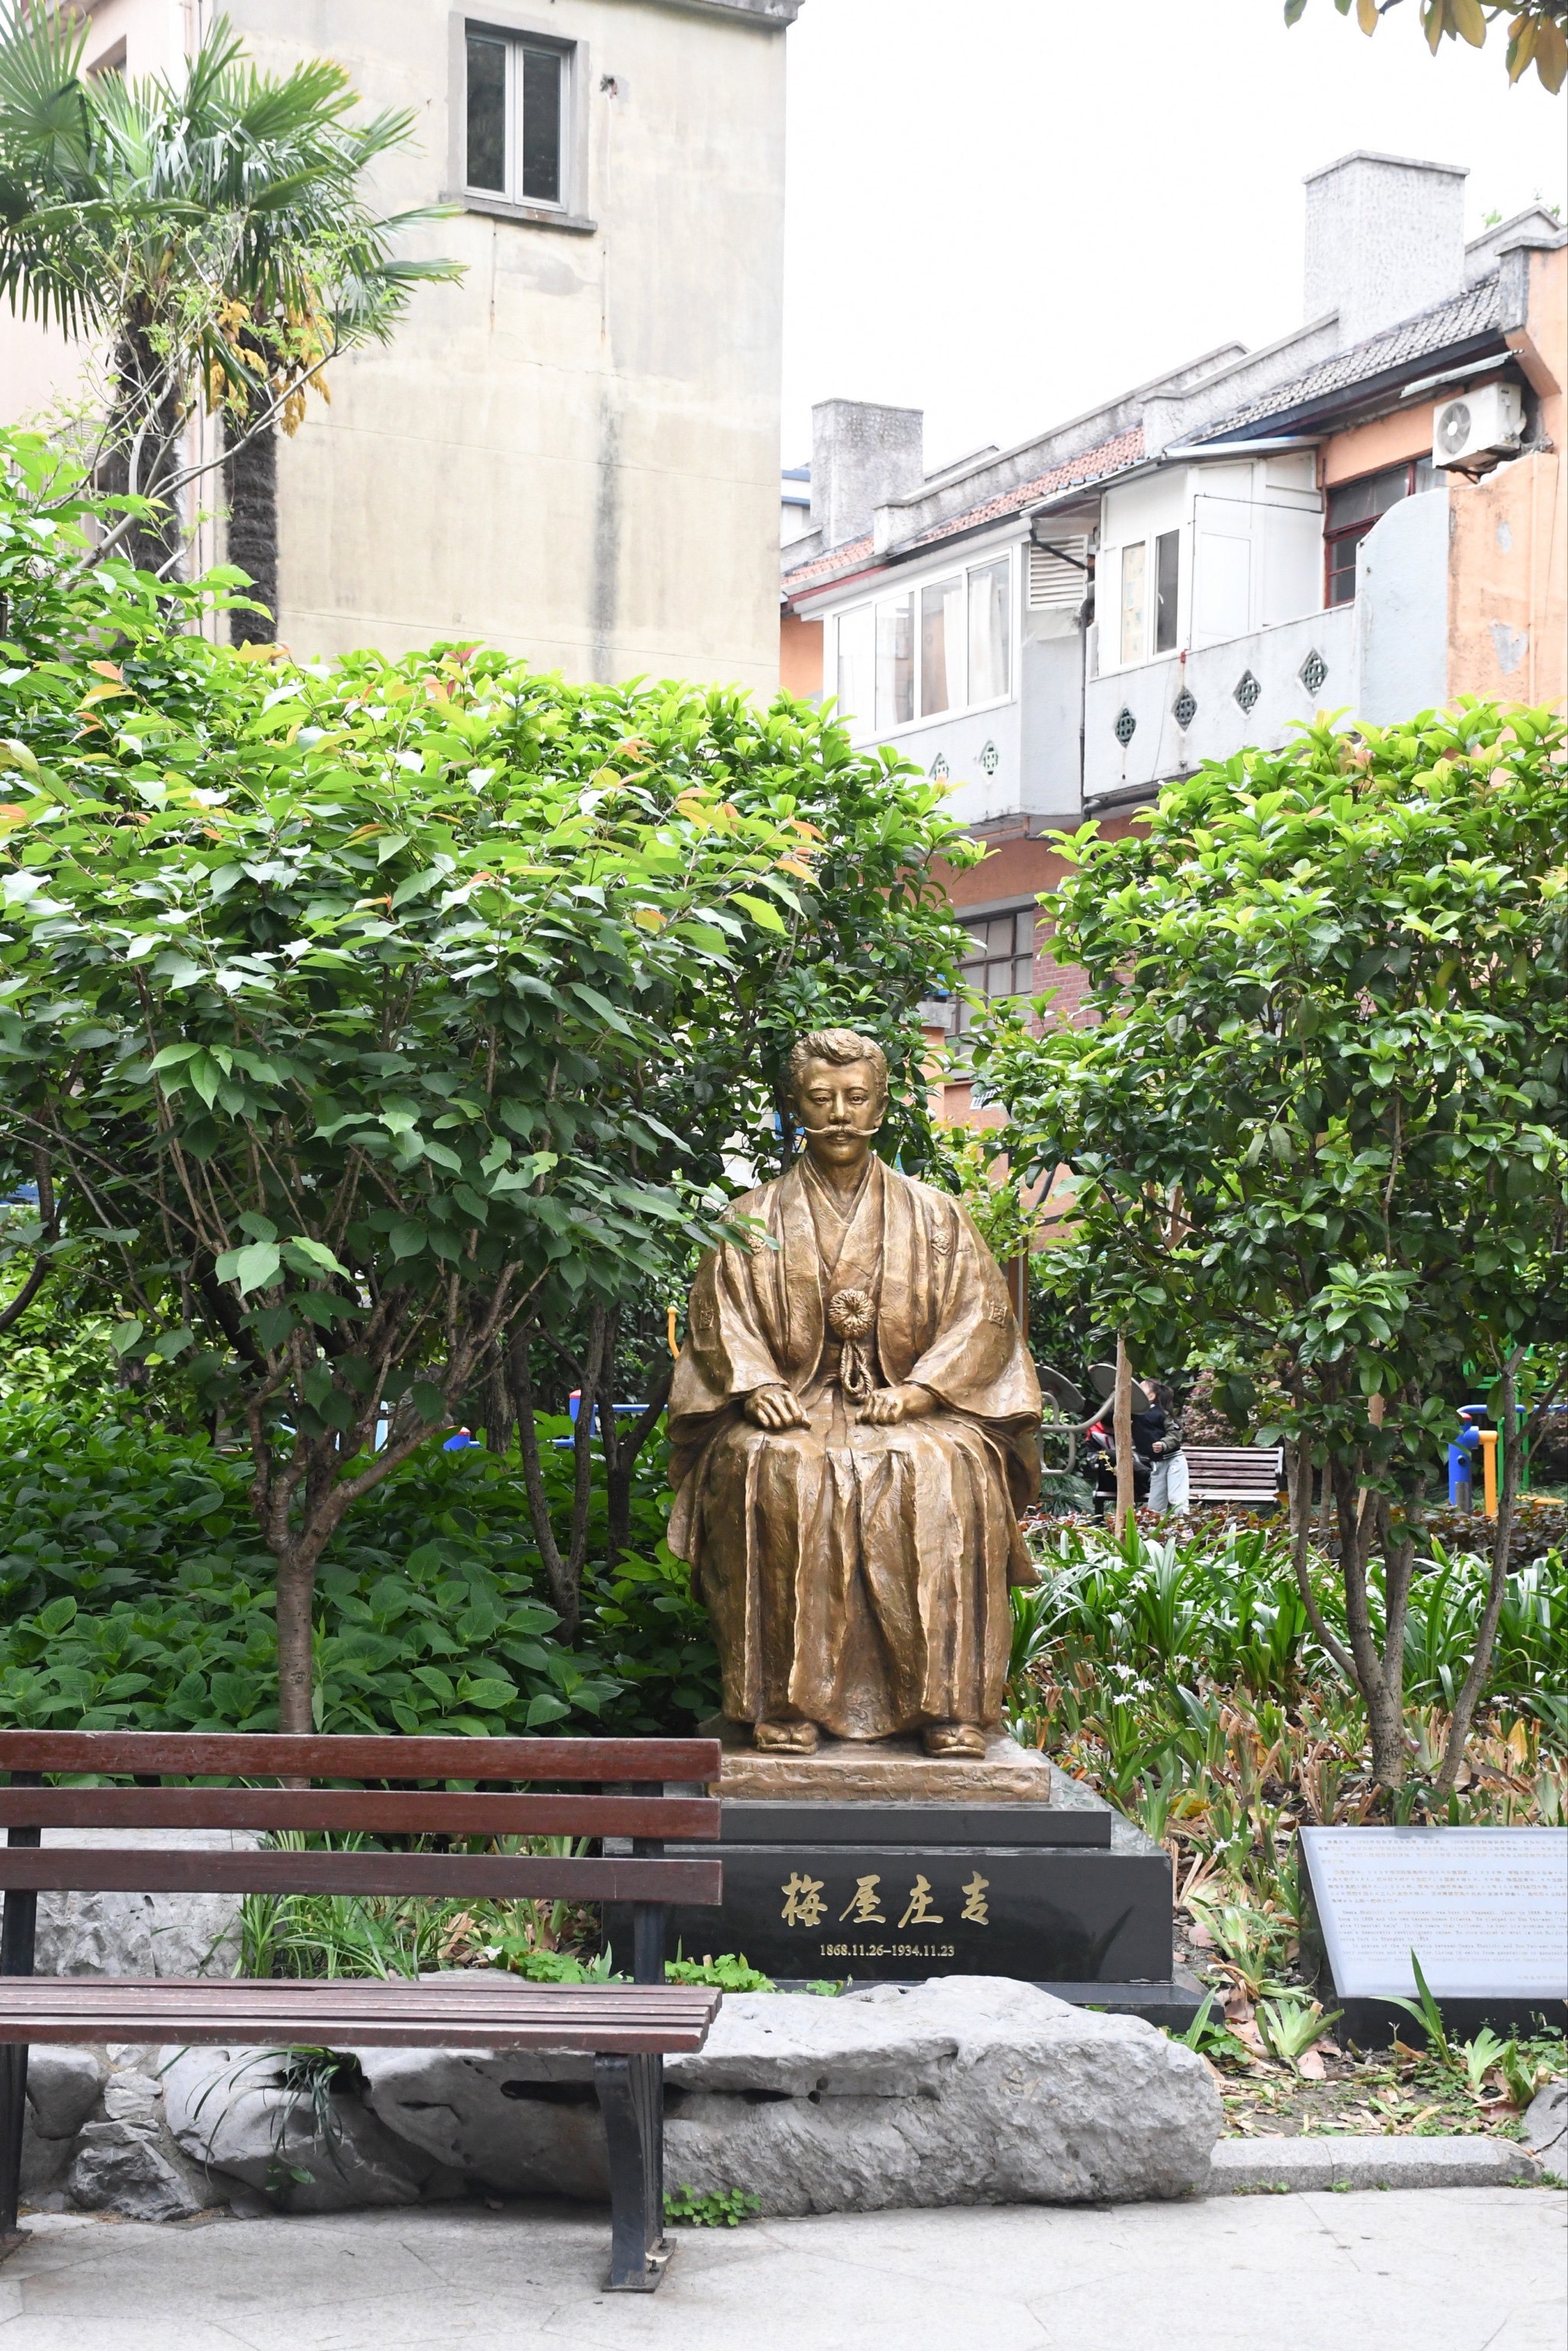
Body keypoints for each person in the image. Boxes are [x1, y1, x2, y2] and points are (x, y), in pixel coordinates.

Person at [667, 1028, 1042, 1758]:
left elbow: (983, 1319)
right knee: (778, 1469)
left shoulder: (937, 1217)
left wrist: (926, 1390)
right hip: (795, 1405)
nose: (838, 1113)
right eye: (820, 1098)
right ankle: (783, 1703)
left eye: (855, 1097)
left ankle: (950, 1708)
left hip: (909, 1403)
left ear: (881, 1105)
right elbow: (720, 1323)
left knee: (943, 1468)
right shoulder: (751, 1221)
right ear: (795, 1107)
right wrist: (757, 1383)